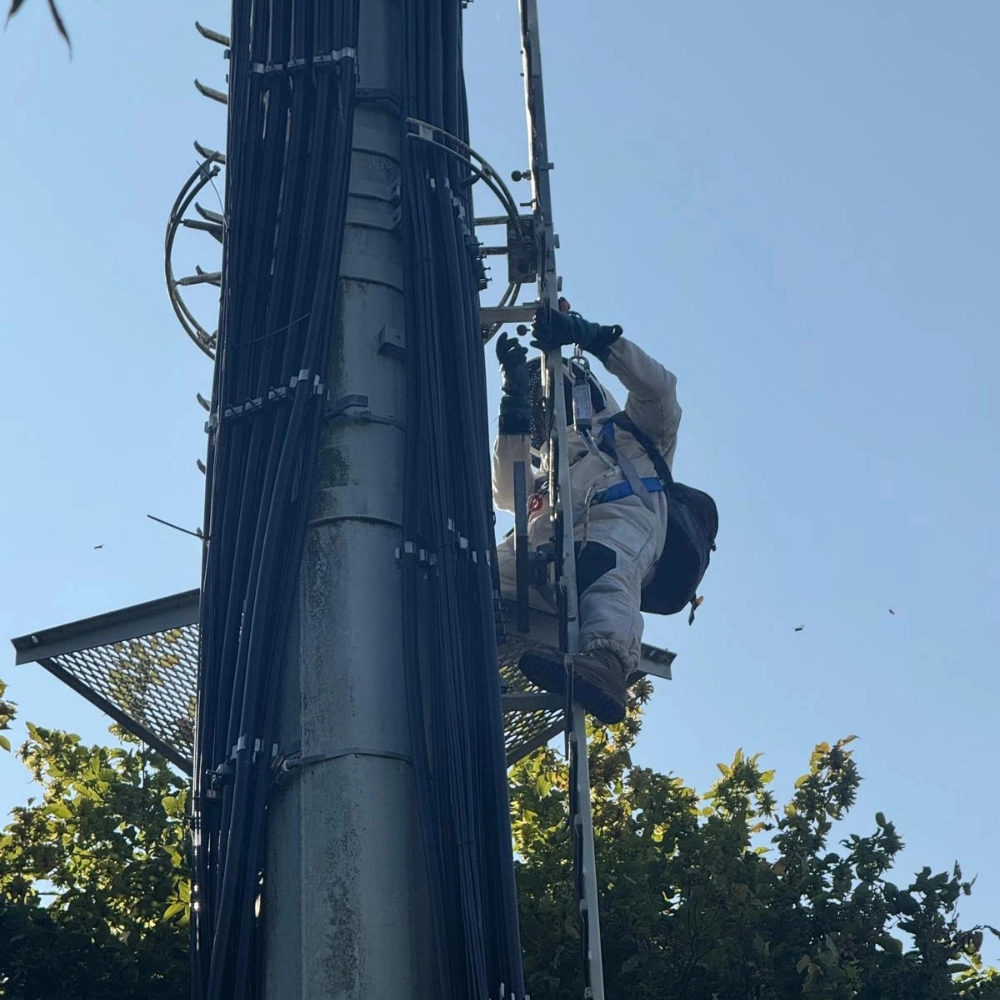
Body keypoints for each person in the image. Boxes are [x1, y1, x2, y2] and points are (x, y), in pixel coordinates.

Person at [492, 304, 681, 725]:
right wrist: (513, 407)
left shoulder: (635, 435)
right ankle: (465, 643)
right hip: (540, 562)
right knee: (473, 569)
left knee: (601, 563)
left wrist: (593, 338)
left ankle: (605, 664)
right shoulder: (548, 473)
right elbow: (508, 490)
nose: (547, 409)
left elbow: (660, 391)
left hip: (614, 532)